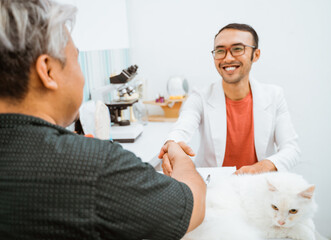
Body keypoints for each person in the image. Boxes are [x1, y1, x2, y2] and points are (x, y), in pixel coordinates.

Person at [0, 1, 205, 239]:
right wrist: (178, 153)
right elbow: (192, 206)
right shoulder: (93, 165)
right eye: (76, 58)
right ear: (48, 71)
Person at [159, 23, 301, 176]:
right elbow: (181, 129)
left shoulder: (274, 96)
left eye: (238, 49)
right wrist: (171, 145)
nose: (227, 58)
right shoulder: (200, 97)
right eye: (220, 51)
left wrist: (258, 168)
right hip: (214, 188)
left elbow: (291, 149)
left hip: (258, 186)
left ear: (256, 54)